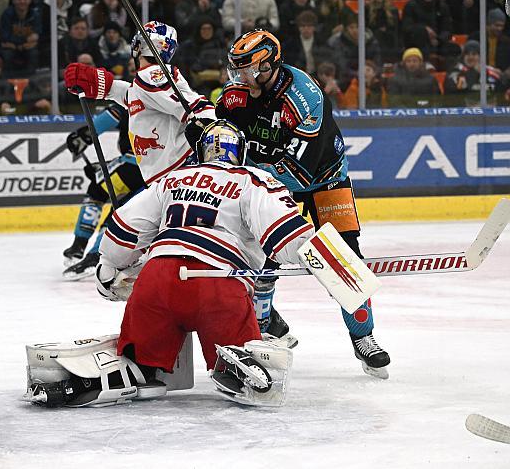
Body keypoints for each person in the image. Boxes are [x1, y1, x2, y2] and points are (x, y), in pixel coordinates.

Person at [25, 121, 380, 408]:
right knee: (245, 355)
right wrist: (338, 265)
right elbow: (287, 234)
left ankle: (127, 371)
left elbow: (123, 227)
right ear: (239, 153)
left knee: (142, 361)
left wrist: (108, 269)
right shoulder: (252, 179)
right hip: (217, 282)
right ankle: (240, 364)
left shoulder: (172, 179)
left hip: (156, 282)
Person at [215, 29, 391, 378]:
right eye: (237, 71)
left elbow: (296, 171)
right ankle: (265, 328)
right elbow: (220, 134)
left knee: (344, 259)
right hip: (267, 176)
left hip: (322, 178)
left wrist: (247, 179)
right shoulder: (235, 94)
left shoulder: (305, 97)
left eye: (248, 70)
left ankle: (363, 336)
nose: (241, 79)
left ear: (269, 65)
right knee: (258, 257)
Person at [62, 21, 217, 278]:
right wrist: (101, 84)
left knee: (119, 254)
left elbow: (193, 106)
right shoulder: (148, 82)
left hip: (173, 180)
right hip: (170, 180)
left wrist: (206, 120)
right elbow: (132, 95)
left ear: (137, 47)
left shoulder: (150, 76)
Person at [60, 103, 146, 279]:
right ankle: (99, 254)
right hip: (157, 172)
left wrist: (82, 136)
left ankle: (82, 246)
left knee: (96, 191)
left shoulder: (133, 96)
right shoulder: (175, 100)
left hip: (133, 164)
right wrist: (103, 168)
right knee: (120, 210)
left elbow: (106, 119)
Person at [444, 40, 504, 106]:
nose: (471, 57)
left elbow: (500, 93)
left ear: (480, 56)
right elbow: (458, 91)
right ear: (463, 56)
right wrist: (474, 72)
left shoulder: (490, 72)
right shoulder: (456, 71)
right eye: (467, 54)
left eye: (474, 54)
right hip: (463, 112)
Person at [0, 0, 43, 76]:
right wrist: (25, 40)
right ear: (13, 1)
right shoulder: (6, 14)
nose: (22, 1)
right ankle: (9, 81)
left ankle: (31, 80)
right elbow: (5, 37)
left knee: (34, 53)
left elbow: (36, 36)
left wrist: (16, 43)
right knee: (7, 54)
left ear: (30, 0)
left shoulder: (35, 15)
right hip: (11, 48)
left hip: (26, 48)